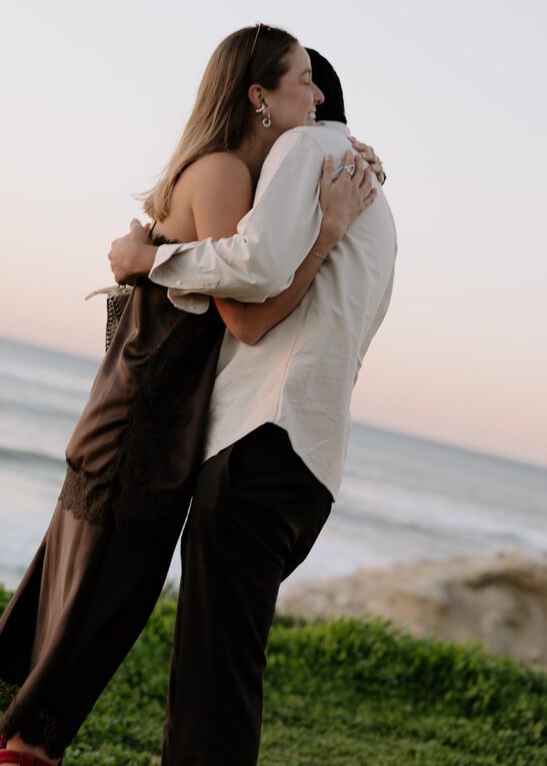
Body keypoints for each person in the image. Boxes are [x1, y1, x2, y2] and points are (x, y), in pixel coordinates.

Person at [0, 24, 378, 766]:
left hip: (149, 434)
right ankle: (14, 745)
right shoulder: (221, 175)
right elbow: (247, 315)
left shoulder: (236, 180)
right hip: (138, 438)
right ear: (258, 96)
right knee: (82, 628)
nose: (318, 98)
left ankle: (13, 738)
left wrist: (146, 259)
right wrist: (328, 234)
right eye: (303, 80)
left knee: (82, 624)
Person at [109, 46, 396, 766]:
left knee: (212, 686)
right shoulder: (375, 202)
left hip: (261, 440)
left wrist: (152, 261)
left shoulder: (305, 149)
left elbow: (256, 268)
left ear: (306, 98)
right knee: (224, 676)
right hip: (310, 465)